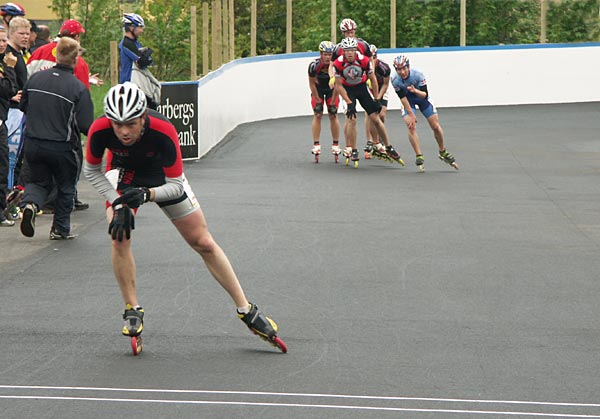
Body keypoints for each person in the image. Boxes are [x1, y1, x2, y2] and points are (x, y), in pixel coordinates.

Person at [82, 82, 285, 353]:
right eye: (117, 124)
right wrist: (118, 204)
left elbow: (176, 186)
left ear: (143, 116)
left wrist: (147, 194)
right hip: (124, 175)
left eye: (130, 123)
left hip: (161, 179)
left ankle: (245, 309)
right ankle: (132, 308)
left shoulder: (163, 130)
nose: (123, 131)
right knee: (119, 235)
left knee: (203, 242)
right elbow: (92, 171)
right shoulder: (100, 128)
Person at [18, 37, 93, 239]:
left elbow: (24, 106)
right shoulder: (77, 88)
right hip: (62, 145)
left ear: (56, 55)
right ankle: (60, 228)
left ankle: (31, 204)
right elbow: (86, 124)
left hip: (33, 142)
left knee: (37, 181)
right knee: (66, 186)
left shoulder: (35, 79)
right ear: (75, 59)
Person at [27, 19, 99, 211]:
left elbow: (25, 80)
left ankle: (33, 204)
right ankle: (64, 211)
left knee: (38, 175)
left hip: (35, 122)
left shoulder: (38, 52)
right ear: (75, 37)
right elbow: (83, 97)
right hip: (64, 126)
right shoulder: (79, 62)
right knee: (68, 170)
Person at [332, 37, 412, 167]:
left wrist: (376, 99)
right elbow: (339, 86)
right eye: (347, 51)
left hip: (361, 88)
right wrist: (348, 102)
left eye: (352, 50)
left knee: (376, 118)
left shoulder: (363, 60)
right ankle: (353, 149)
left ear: (356, 50)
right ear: (343, 52)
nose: (350, 53)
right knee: (352, 118)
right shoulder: (338, 63)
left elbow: (373, 80)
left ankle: (388, 146)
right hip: (348, 89)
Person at [391, 54, 459, 171]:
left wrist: (414, 90)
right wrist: (411, 114)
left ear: (408, 66)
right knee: (411, 126)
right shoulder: (395, 79)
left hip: (420, 97)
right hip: (408, 101)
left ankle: (442, 151)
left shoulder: (418, 74)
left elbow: (425, 95)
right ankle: (419, 155)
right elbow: (402, 98)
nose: (402, 72)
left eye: (404, 68)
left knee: (435, 126)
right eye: (399, 69)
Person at [308, 40, 340, 162]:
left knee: (333, 114)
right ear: (320, 54)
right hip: (318, 89)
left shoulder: (336, 65)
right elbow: (311, 84)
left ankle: (336, 143)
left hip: (333, 90)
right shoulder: (313, 65)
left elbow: (338, 84)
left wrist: (334, 100)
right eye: (325, 54)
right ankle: (316, 144)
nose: (327, 57)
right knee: (318, 113)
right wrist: (317, 100)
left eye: (330, 54)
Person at [5, 15, 27, 191]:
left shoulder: (20, 54)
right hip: (11, 113)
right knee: (10, 159)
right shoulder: (8, 55)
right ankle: (7, 197)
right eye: (21, 33)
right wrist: (11, 95)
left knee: (16, 158)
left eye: (28, 33)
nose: (26, 37)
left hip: (20, 111)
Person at [0, 24, 18, 226]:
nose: (3, 44)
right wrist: (10, 69)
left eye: (5, 40)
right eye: (0, 40)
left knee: (3, 167)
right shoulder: (6, 64)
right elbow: (8, 89)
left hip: (2, 121)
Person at [364, 44, 392, 161]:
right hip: (369, 89)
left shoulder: (384, 67)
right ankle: (370, 141)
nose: (372, 61)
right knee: (370, 115)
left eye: (374, 58)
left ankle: (380, 140)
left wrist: (378, 98)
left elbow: (385, 84)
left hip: (381, 89)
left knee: (381, 115)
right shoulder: (363, 66)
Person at [119, 13, 145, 84]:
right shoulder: (127, 44)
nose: (141, 31)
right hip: (129, 83)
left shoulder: (135, 43)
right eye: (140, 27)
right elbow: (143, 62)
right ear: (131, 27)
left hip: (138, 82)